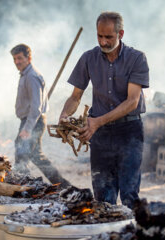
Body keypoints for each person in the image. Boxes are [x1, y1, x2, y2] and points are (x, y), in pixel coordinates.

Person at [59, 12, 149, 208]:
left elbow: (132, 101)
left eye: (109, 37)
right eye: (100, 36)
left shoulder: (137, 58)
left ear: (121, 34)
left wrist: (97, 121)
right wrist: (65, 115)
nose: (103, 41)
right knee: (102, 197)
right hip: (100, 136)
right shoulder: (88, 58)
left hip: (129, 131)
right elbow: (75, 97)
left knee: (129, 196)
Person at [11, 44, 71, 188]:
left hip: (33, 121)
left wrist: (27, 128)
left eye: (20, 58)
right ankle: (64, 186)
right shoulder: (26, 74)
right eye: (14, 59)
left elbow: (36, 107)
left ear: (29, 58)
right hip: (31, 120)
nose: (17, 62)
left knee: (21, 153)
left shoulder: (32, 76)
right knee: (37, 157)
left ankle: (23, 186)